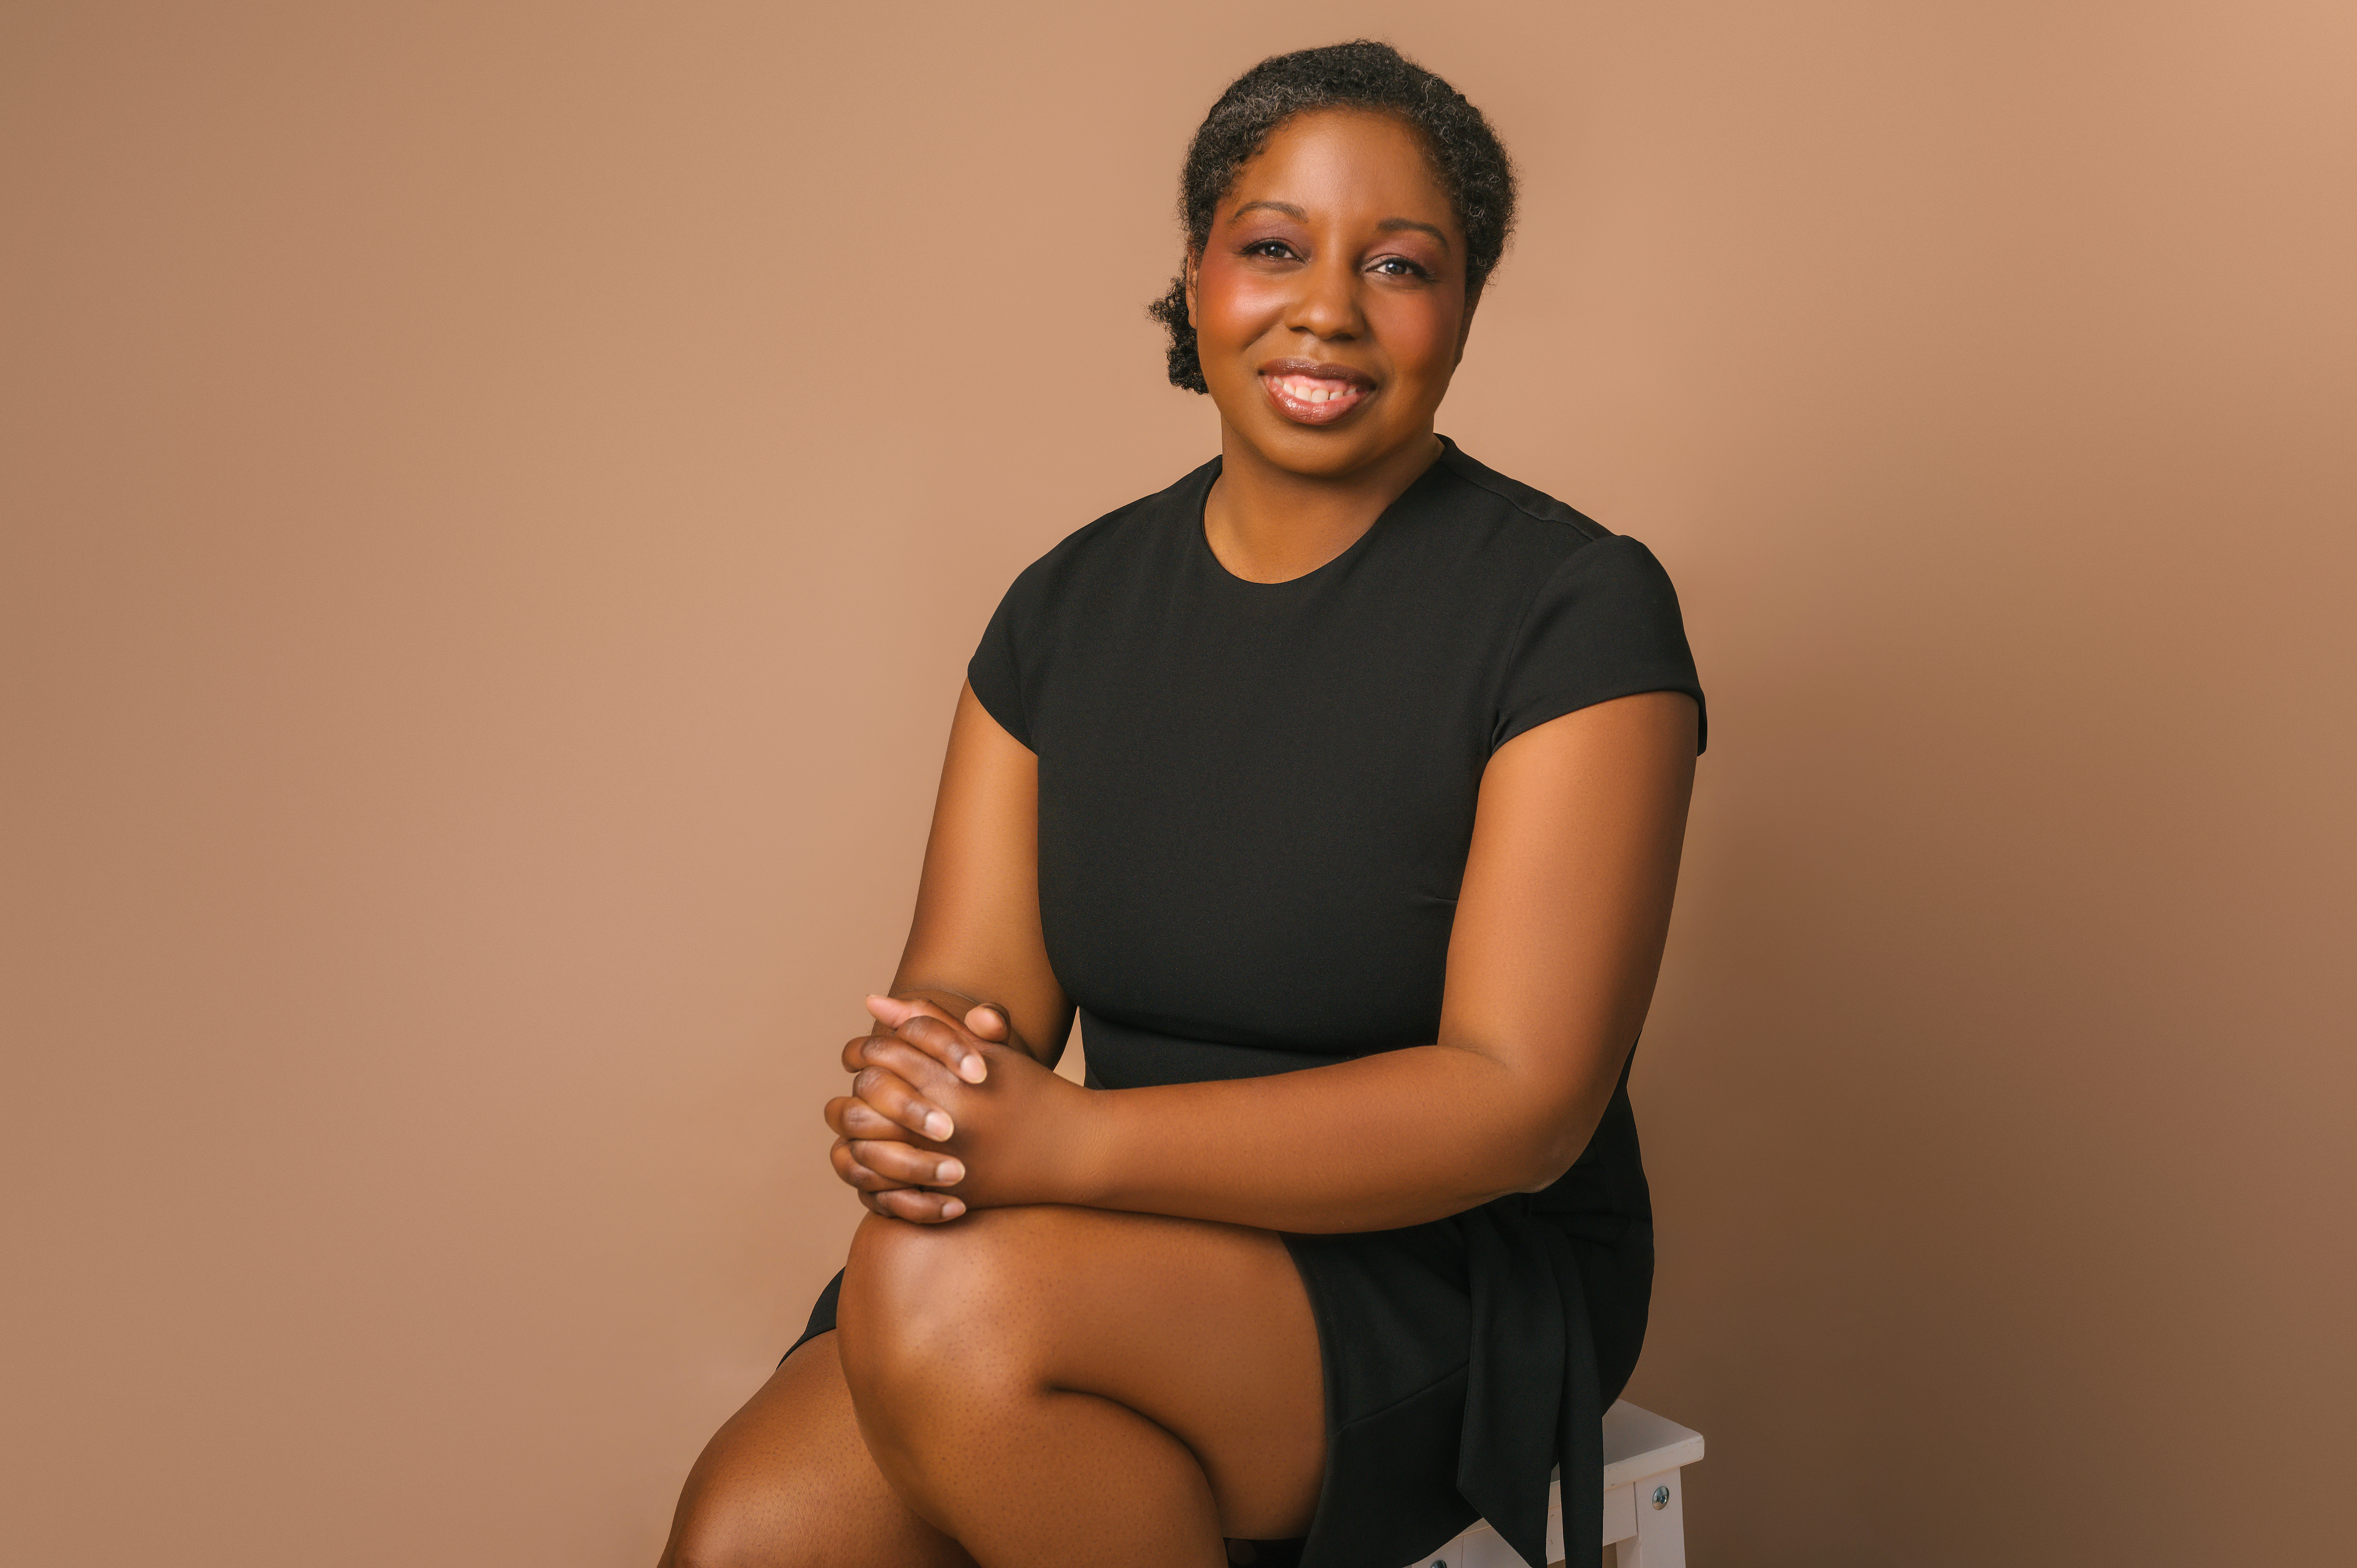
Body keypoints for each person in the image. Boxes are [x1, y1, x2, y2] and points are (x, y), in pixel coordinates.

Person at [659, 39, 1704, 1568]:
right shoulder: (1065, 610)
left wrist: (1065, 1150)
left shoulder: (1576, 607)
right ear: (1198, 275)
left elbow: (1519, 1101)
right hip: (1110, 1250)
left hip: (1445, 1273)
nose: (1328, 307)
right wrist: (927, 1109)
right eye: (1274, 246)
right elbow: (969, 994)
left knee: (937, 1301)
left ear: (1464, 308)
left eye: (1400, 266)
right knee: (749, 1530)